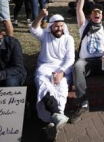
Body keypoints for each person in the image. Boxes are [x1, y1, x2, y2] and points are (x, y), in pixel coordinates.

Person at [30, 9, 75, 141]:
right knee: (43, 83)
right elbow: (33, 28)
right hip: (45, 67)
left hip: (62, 69)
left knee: (61, 90)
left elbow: (70, 59)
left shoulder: (69, 39)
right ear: (51, 26)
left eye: (61, 26)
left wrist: (62, 73)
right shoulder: (45, 35)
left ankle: (52, 123)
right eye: (56, 26)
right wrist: (41, 15)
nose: (59, 29)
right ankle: (56, 116)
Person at [0, 20, 26, 87]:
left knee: (10, 82)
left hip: (10, 74)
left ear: (0, 35)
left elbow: (18, 68)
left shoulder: (12, 43)